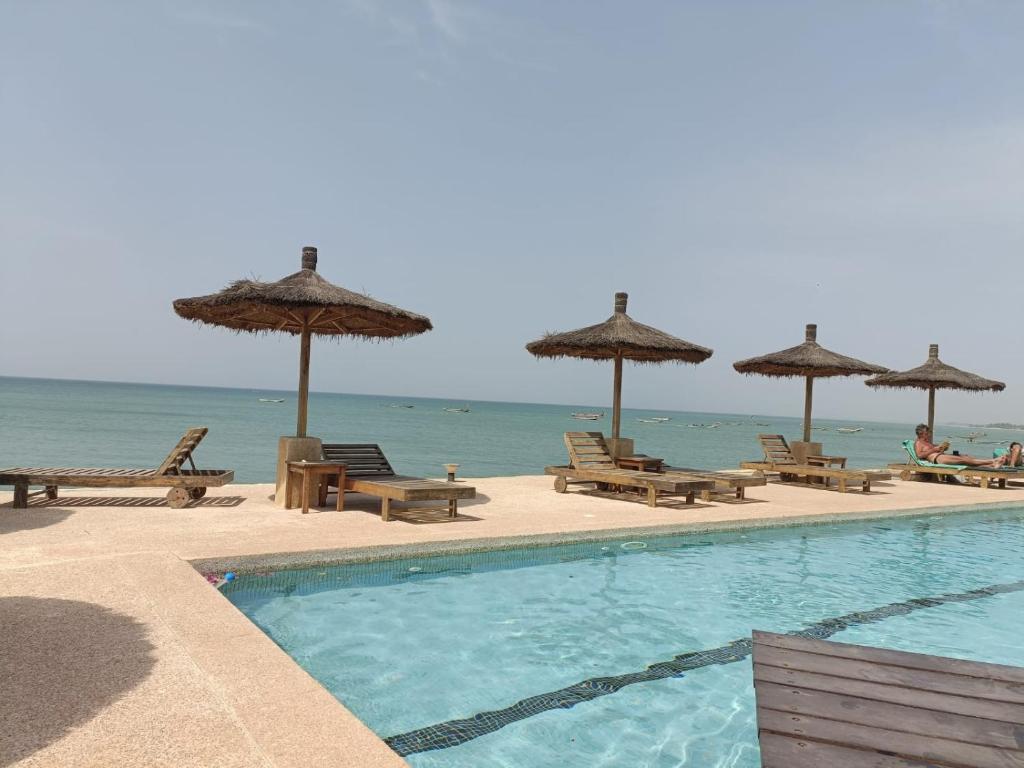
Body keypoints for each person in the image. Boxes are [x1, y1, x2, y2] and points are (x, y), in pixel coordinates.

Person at [914, 424, 1006, 467]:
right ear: (921, 433)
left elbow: (933, 450)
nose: (928, 434)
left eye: (928, 433)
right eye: (927, 433)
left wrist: (942, 448)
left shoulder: (927, 442)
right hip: (937, 459)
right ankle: (993, 461)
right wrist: (934, 449)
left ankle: (992, 464)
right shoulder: (918, 443)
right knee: (963, 460)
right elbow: (919, 455)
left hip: (940, 456)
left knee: (965, 457)